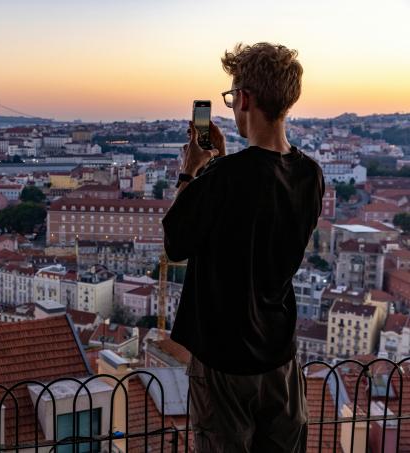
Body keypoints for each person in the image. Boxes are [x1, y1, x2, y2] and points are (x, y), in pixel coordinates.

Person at [162, 42, 324, 452]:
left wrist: (190, 171)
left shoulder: (222, 179)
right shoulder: (310, 174)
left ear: (246, 98)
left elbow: (176, 243)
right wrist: (223, 165)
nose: (232, 106)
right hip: (280, 361)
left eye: (232, 96)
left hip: (225, 362)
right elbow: (258, 203)